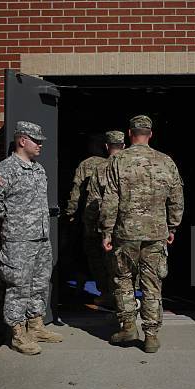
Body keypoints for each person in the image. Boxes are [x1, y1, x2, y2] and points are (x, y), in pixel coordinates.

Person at [100, 115, 184, 353]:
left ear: (129, 133)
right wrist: (173, 226)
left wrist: (106, 231)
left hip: (126, 233)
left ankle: (128, 326)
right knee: (152, 283)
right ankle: (151, 336)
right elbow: (176, 198)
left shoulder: (118, 160)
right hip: (156, 232)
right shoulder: (166, 161)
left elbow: (110, 199)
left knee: (123, 279)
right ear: (150, 134)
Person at [0, 121, 63, 355]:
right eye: (36, 140)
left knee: (39, 283)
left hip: (40, 238)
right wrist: (14, 219)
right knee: (19, 286)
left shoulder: (38, 169)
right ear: (22, 140)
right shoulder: (5, 169)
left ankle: (35, 325)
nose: (40, 145)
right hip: (19, 240)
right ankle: (18, 333)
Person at [84, 130, 126, 307]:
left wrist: (90, 226)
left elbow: (93, 202)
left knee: (106, 263)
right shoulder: (134, 165)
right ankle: (127, 300)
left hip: (106, 225)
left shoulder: (101, 168)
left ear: (107, 146)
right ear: (124, 146)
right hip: (130, 226)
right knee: (127, 265)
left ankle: (110, 295)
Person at [64, 134, 107, 292]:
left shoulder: (86, 164)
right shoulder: (116, 163)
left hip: (89, 216)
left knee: (91, 254)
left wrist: (70, 213)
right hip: (113, 219)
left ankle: (101, 288)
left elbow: (76, 193)